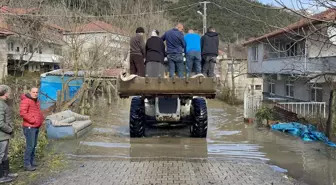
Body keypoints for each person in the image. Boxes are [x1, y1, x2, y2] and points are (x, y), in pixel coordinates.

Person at [20, 87, 44, 171]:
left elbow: (37, 112)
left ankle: (32, 161)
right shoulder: (26, 100)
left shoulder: (36, 101)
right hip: (29, 127)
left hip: (36, 126)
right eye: (33, 92)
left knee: (34, 145)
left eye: (37, 92)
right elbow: (23, 113)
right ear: (30, 92)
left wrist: (40, 120)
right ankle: (27, 164)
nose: (35, 93)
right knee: (30, 146)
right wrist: (33, 120)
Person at [0, 85, 17, 183]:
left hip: (4, 135)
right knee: (1, 155)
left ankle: (6, 173)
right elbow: (0, 122)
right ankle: (1, 176)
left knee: (5, 155)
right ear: (5, 93)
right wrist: (9, 129)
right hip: (2, 135)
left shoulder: (3, 103)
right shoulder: (0, 104)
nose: (10, 93)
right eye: (9, 92)